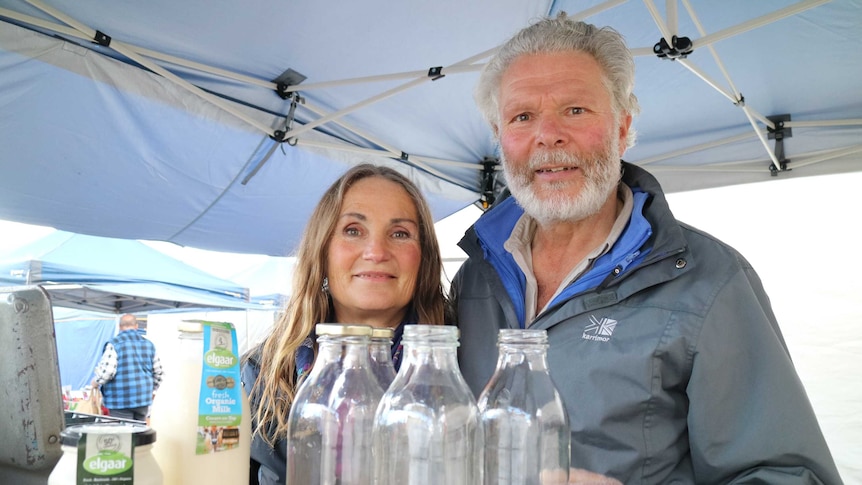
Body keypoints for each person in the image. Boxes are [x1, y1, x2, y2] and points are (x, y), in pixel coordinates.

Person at [450, 13, 843, 484]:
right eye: (522, 116)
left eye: (575, 110)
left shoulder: (709, 281)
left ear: (622, 127)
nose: (548, 135)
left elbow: (788, 475)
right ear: (500, 137)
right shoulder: (473, 278)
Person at [240, 163, 448, 485]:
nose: (376, 251)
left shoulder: (462, 362)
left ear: (425, 258)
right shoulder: (261, 376)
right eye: (353, 230)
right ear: (321, 251)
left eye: (399, 233)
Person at [92, 313, 163, 422]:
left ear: (120, 327)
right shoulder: (149, 345)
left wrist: (96, 381)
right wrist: (152, 391)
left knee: (123, 434)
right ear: (136, 326)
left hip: (120, 400)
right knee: (139, 434)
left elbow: (107, 372)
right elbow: (158, 372)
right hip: (143, 399)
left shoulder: (114, 344)